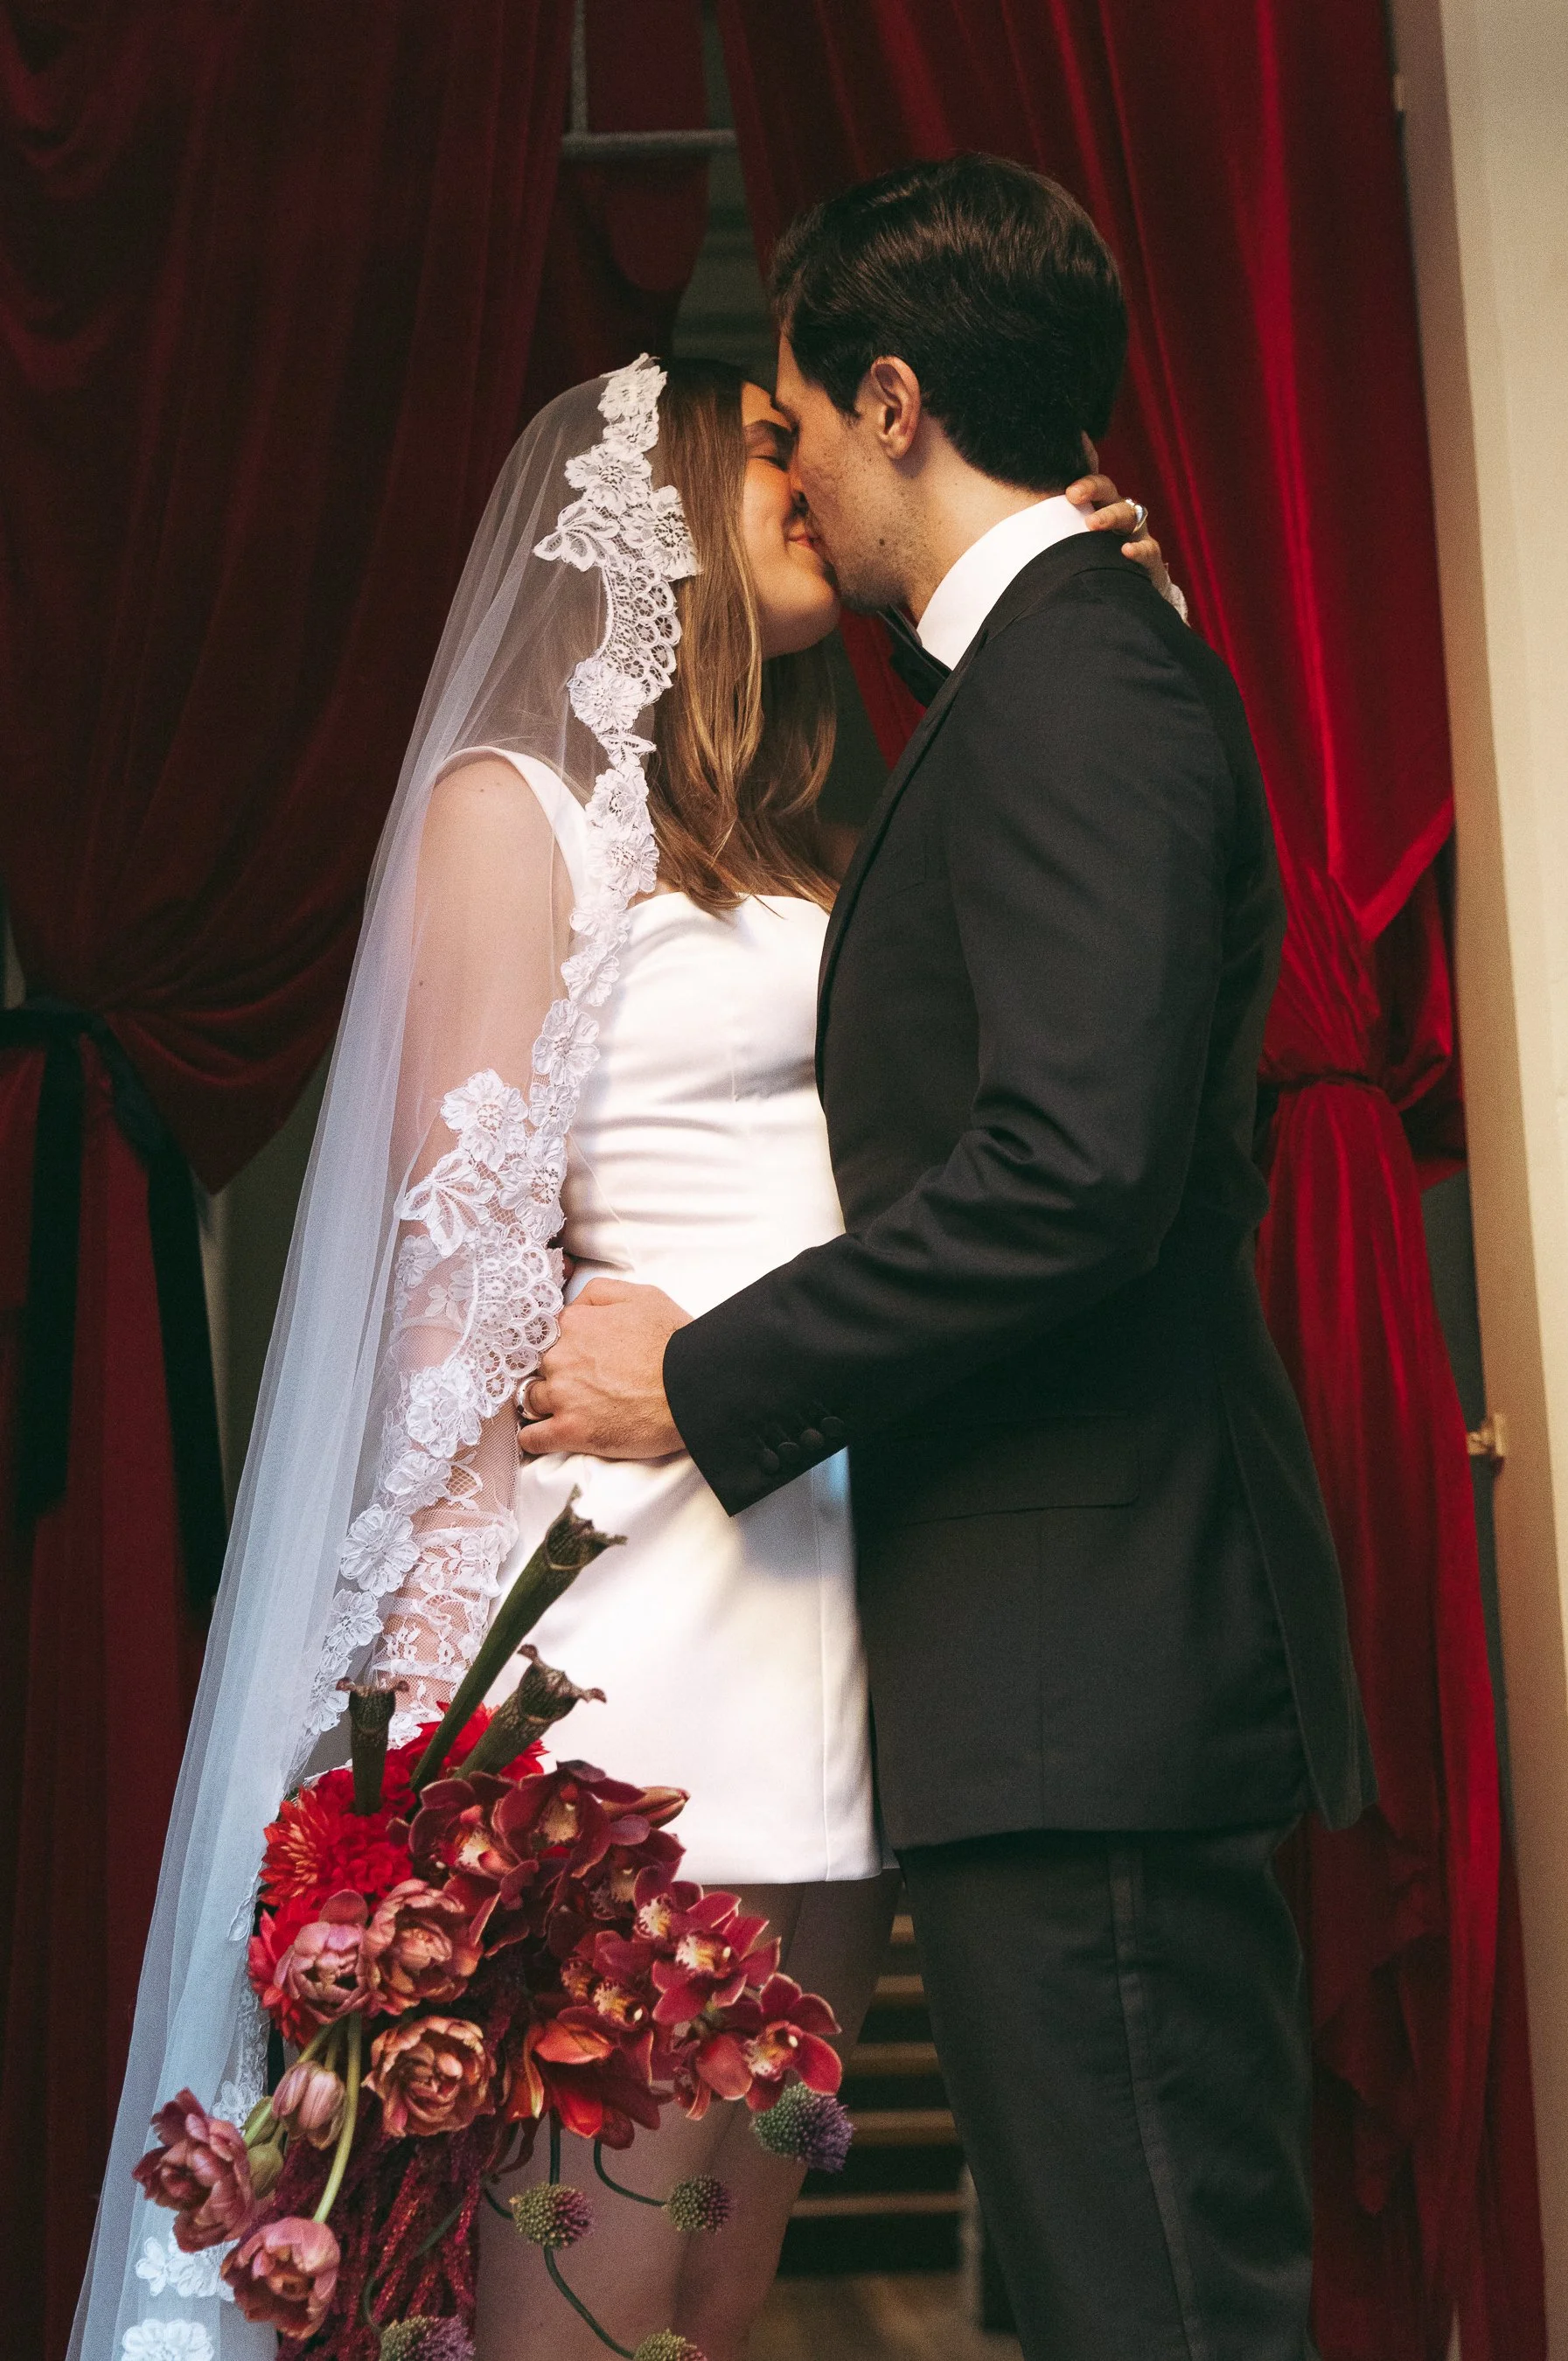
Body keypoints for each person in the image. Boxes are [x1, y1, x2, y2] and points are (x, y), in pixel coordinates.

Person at [73, 339, 1166, 2361]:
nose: (820, 468)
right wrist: (430, 1775)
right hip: (637, 1646)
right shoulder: (512, 816)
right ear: (657, 505)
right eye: (768, 441)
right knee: (587, 2300)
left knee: (723, 2295)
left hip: (841, 1622)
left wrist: (1054, 606)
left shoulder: (804, 835)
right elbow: (450, 1321)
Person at [518, 157, 1376, 2361]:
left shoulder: (1079, 686)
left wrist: (695, 1383)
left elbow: (1069, 1170)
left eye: (796, 413)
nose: (776, 458)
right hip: (1047, 1662)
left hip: (1092, 1672)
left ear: (895, 399)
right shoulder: (1060, 675)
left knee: (1155, 2311)